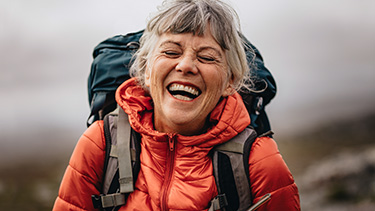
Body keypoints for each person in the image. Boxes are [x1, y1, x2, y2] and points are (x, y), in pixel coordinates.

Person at [53, 0, 300, 210]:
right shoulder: (100, 143)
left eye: (206, 57)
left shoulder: (260, 162)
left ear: (230, 82)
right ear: (146, 71)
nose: (186, 66)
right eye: (171, 52)